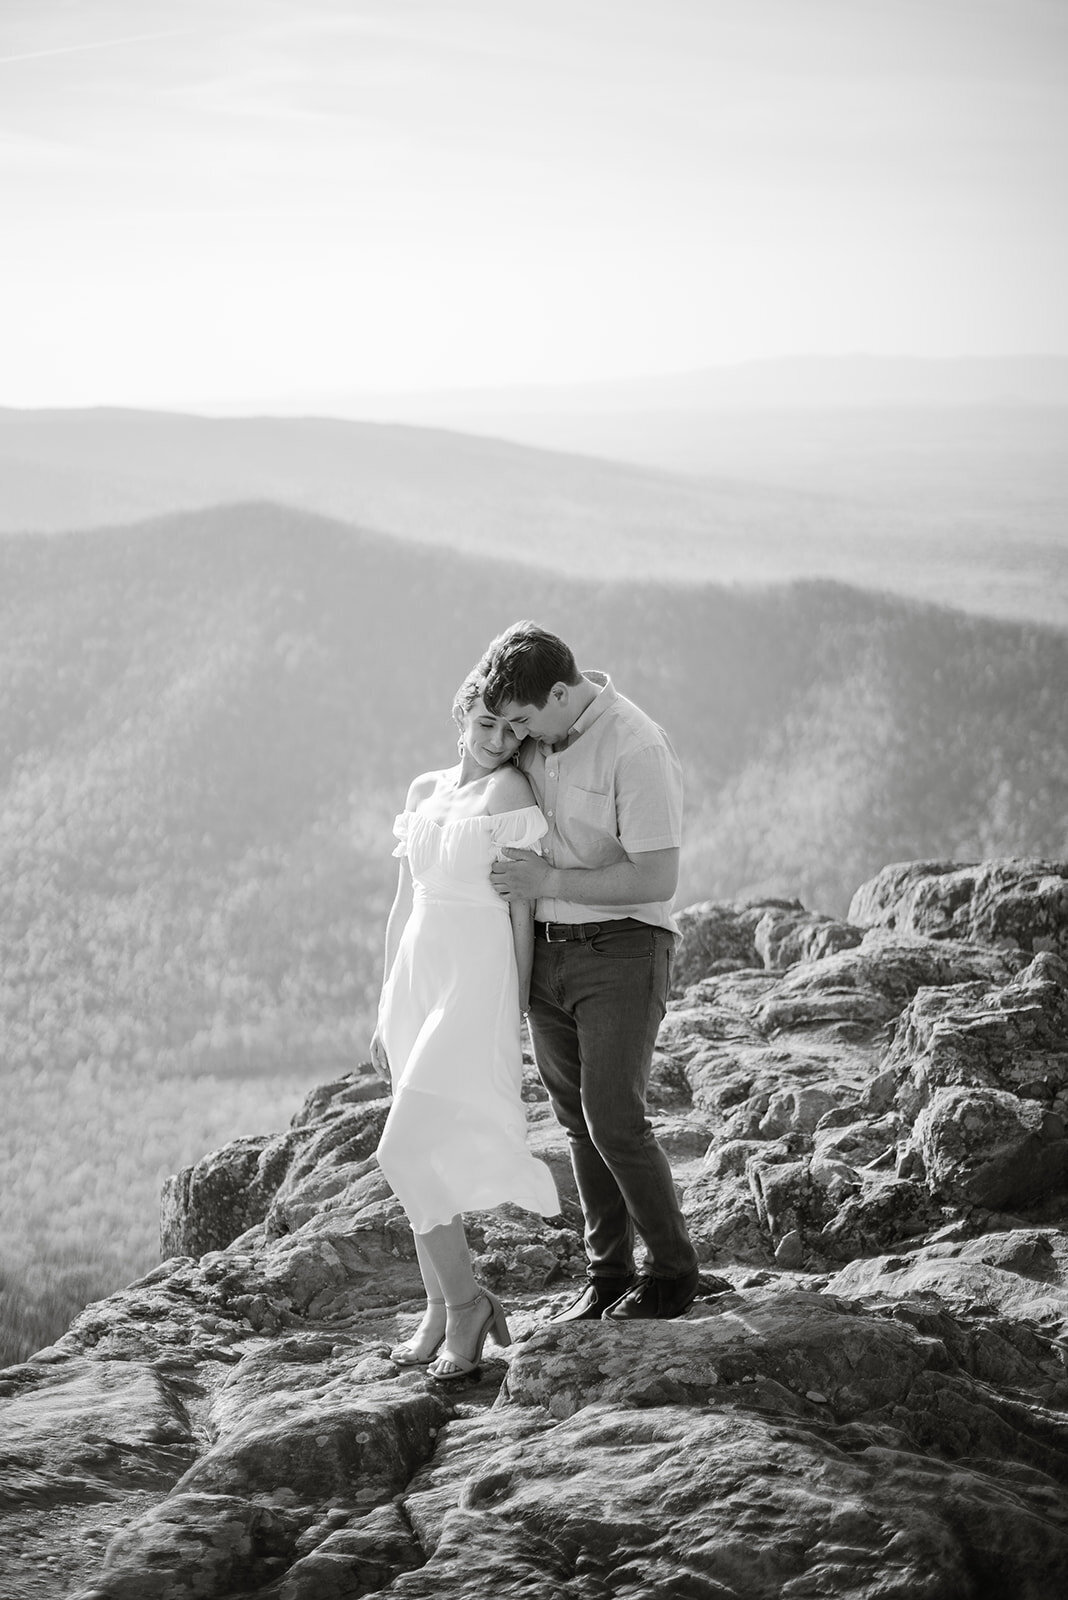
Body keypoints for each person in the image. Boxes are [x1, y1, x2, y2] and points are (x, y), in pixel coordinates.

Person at [481, 620, 700, 1321]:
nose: (516, 736)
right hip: (549, 956)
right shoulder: (537, 741)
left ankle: (672, 1274)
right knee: (576, 1122)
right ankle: (607, 1276)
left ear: (559, 692)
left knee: (615, 1120)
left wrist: (548, 877)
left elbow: (656, 876)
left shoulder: (635, 745)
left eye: (521, 719)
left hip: (623, 952)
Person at [369, 668, 559, 1379]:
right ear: (462, 714)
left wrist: (510, 1010)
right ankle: (440, 1310)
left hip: (474, 985)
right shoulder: (423, 791)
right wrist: (386, 998)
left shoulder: (509, 794)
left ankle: (468, 1303)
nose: (499, 740)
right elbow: (402, 905)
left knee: (401, 1151)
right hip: (417, 982)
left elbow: (521, 911)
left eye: (514, 730)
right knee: (427, 1158)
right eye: (487, 724)